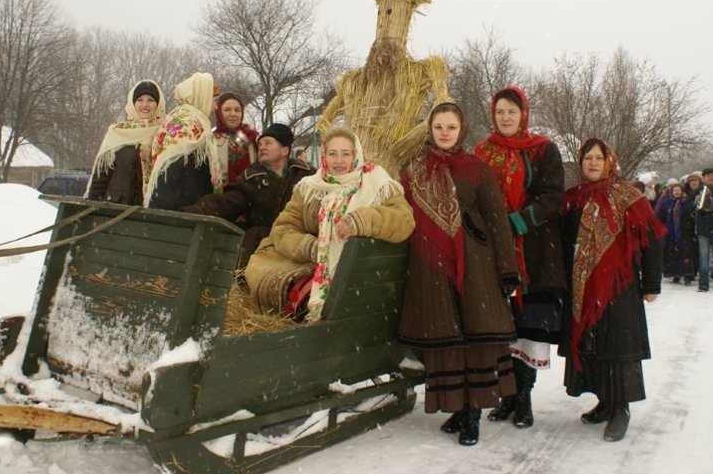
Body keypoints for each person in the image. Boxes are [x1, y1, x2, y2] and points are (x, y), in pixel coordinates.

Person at [398, 102, 520, 447]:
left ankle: (473, 413)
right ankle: (456, 406)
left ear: (461, 129)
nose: (445, 133)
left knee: (474, 339)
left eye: (451, 127)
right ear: (430, 129)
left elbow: (497, 220)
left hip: (475, 264)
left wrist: (506, 269)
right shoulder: (413, 170)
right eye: (439, 127)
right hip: (430, 266)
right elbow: (400, 212)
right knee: (447, 341)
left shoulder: (476, 169)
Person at [242, 126, 413, 320]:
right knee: (281, 289)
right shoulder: (310, 187)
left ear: (356, 155)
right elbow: (282, 229)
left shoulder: (376, 183)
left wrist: (362, 220)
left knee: (315, 299)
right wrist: (310, 247)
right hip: (309, 261)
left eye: (345, 154)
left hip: (355, 268)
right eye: (332, 154)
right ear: (324, 155)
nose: (338, 161)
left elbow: (404, 220)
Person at [559, 138, 665, 443]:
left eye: (599, 158)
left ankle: (621, 408)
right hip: (583, 286)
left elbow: (653, 239)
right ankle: (604, 401)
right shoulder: (573, 199)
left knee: (618, 346)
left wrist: (651, 284)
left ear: (610, 162)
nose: (592, 163)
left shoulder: (628, 196)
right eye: (587, 158)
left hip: (620, 286)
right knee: (591, 346)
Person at [473, 86, 565, 429]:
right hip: (494, 253)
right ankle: (506, 397)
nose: (506, 117)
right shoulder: (482, 153)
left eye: (512, 111)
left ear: (523, 113)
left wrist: (516, 221)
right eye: (500, 112)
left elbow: (552, 195)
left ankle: (523, 398)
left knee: (528, 329)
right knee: (501, 328)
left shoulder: (543, 150)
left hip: (535, 252)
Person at [186, 123, 312, 268]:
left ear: (284, 150)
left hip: (295, 243)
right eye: (260, 144)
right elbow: (229, 201)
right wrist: (198, 210)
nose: (262, 147)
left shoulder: (305, 176)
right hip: (260, 244)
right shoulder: (252, 176)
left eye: (268, 143)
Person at [145, 72, 221, 210]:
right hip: (180, 212)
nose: (216, 107)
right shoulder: (191, 125)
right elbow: (182, 174)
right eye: (214, 100)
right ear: (202, 97)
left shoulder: (178, 117)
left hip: (164, 207)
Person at [86, 80, 165, 205]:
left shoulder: (165, 133)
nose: (145, 104)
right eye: (140, 100)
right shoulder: (117, 132)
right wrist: (91, 207)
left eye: (150, 100)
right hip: (115, 209)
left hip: (150, 211)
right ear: (132, 103)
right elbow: (101, 178)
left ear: (158, 104)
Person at [213, 92, 259, 186]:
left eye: (237, 110)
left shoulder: (251, 137)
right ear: (219, 113)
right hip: (220, 196)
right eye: (227, 110)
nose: (233, 114)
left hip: (251, 194)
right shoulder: (211, 140)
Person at [658, 183, 696, 284]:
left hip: (684, 232)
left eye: (679, 190)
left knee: (686, 254)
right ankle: (675, 274)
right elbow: (661, 216)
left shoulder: (686, 202)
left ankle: (687, 275)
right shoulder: (667, 203)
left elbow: (690, 215)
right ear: (672, 192)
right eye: (675, 190)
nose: (677, 192)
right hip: (671, 232)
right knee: (673, 254)